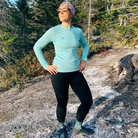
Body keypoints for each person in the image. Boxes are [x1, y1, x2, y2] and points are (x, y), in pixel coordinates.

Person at [33, 2, 93, 138]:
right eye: (59, 11)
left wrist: (83, 59)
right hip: (59, 73)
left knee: (87, 101)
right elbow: (37, 47)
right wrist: (45, 65)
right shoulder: (54, 31)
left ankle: (78, 127)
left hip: (76, 72)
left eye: (64, 10)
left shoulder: (77, 31)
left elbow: (85, 46)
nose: (61, 13)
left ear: (72, 12)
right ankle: (61, 128)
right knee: (62, 102)